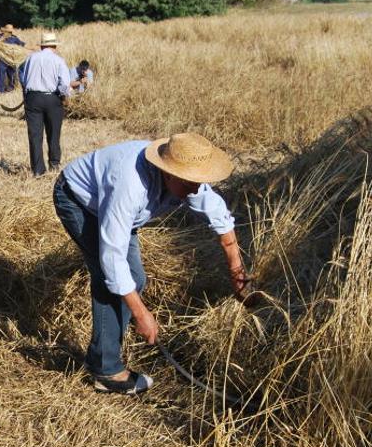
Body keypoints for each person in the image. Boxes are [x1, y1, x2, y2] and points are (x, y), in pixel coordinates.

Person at [53, 134, 254, 395]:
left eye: (199, 182)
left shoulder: (187, 178)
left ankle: (104, 350)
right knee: (108, 280)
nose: (195, 190)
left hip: (120, 212)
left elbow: (220, 218)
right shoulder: (130, 184)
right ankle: (106, 370)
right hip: (79, 199)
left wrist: (238, 274)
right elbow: (112, 258)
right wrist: (141, 314)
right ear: (167, 173)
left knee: (134, 280)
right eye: (189, 183)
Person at [20, 32, 70, 177]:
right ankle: (54, 165)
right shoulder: (59, 60)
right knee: (54, 133)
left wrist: (26, 88)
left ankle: (38, 170)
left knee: (35, 135)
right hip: (52, 98)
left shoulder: (30, 58)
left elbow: (20, 72)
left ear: (42, 45)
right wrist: (63, 96)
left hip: (33, 98)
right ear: (54, 46)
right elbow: (65, 84)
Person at [0, 24, 26, 93]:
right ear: (5, 31)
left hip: (11, 60)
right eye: (8, 31)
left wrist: (32, 48)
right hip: (1, 60)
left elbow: (22, 45)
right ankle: (0, 90)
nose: (9, 33)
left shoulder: (14, 38)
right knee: (1, 75)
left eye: (10, 32)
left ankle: (11, 88)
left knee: (11, 74)